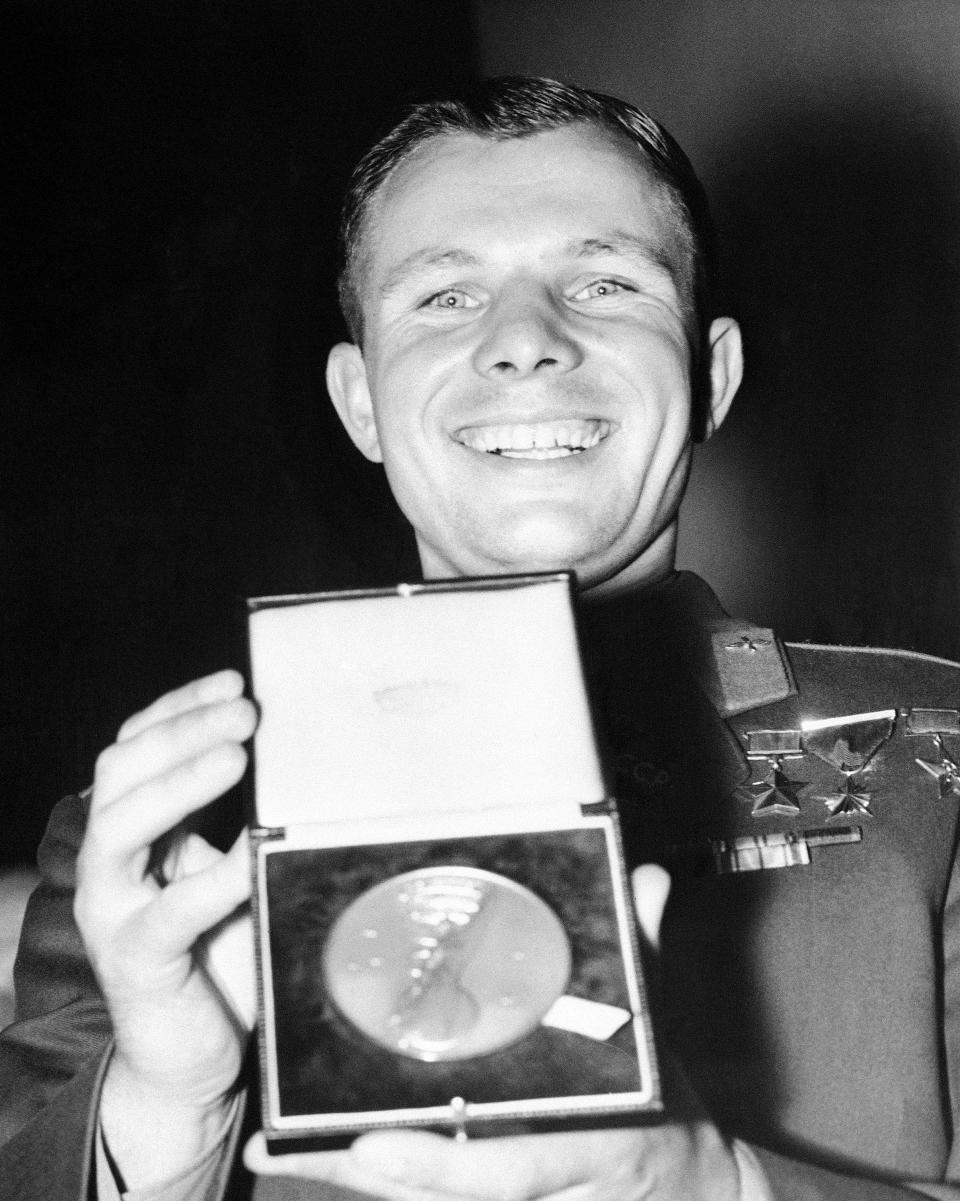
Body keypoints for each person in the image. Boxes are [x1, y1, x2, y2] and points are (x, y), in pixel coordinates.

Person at [2, 75, 960, 1201]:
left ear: (713, 377)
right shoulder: (171, 827)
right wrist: (172, 1106)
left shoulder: (932, 759)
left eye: (604, 281)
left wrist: (721, 1188)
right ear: (361, 403)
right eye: (446, 299)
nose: (525, 341)